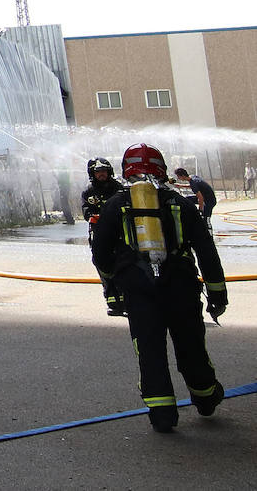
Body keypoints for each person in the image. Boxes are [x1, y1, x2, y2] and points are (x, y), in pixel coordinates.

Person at [91, 143, 227, 433]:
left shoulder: (116, 205)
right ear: (162, 169)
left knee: (150, 350)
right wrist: (218, 294)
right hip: (181, 286)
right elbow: (207, 252)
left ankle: (163, 414)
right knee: (191, 343)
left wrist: (115, 283)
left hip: (139, 291)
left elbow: (100, 253)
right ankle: (205, 398)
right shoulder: (181, 203)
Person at [80, 157, 126, 316]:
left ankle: (124, 297)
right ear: (93, 174)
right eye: (98, 172)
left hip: (119, 232)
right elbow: (86, 210)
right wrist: (93, 216)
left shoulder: (118, 188)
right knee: (102, 263)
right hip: (99, 233)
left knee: (122, 262)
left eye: (104, 171)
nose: (101, 175)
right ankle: (112, 298)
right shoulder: (89, 191)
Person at [174, 168, 217, 233]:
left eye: (178, 176)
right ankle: (190, 213)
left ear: (182, 176)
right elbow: (195, 186)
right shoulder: (193, 177)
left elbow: (200, 198)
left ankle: (209, 235)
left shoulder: (193, 183)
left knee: (206, 219)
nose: (178, 178)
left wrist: (200, 210)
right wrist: (181, 186)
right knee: (186, 200)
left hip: (209, 201)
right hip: (206, 197)